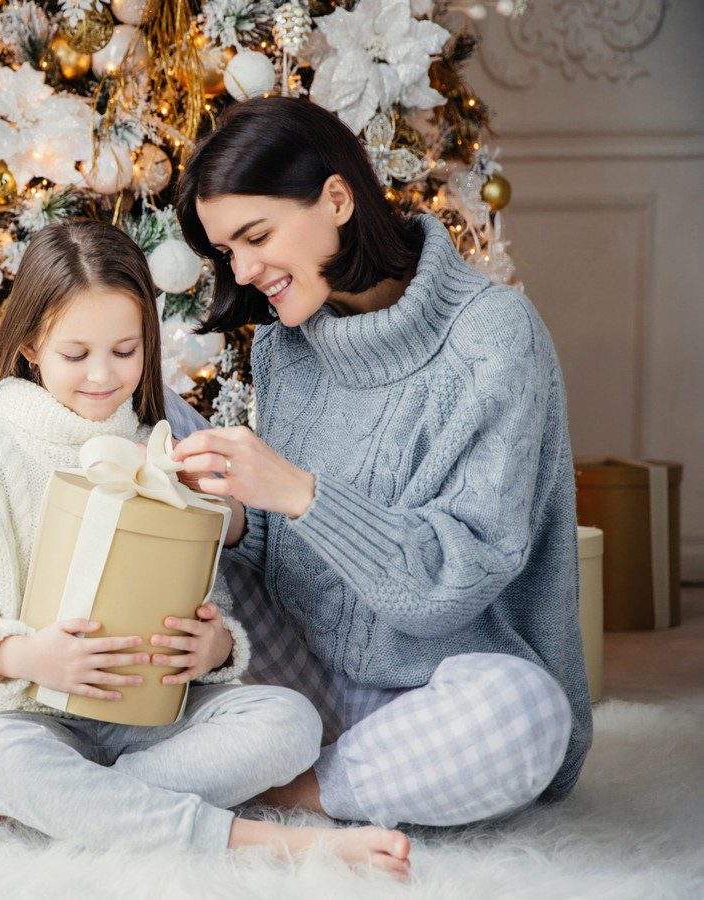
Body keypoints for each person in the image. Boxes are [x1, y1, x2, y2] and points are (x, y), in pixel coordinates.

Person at [0, 218, 412, 875]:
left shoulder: (160, 452)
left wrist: (218, 646)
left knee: (288, 722)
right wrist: (30, 655)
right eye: (76, 354)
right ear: (31, 344)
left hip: (149, 719)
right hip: (29, 715)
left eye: (124, 351)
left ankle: (49, 806)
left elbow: (207, 599)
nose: (101, 375)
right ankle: (263, 843)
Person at [165, 96, 590, 829]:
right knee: (148, 407)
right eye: (227, 251)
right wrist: (237, 519)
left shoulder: (492, 340)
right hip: (298, 679)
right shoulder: (285, 350)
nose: (245, 268)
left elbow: (450, 586)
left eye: (256, 235)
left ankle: (283, 791)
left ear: (336, 198)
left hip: (434, 695)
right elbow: (287, 563)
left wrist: (298, 492)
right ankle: (116, 743)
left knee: (527, 716)